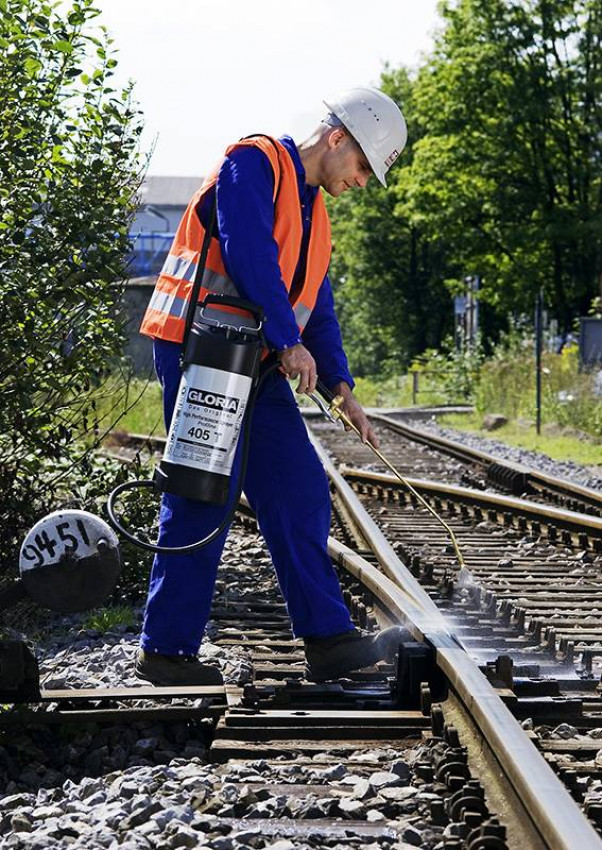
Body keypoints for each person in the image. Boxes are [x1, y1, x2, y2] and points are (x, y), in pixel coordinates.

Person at [136, 86, 408, 686]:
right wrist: (287, 342)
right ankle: (166, 652)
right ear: (338, 138)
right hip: (199, 346)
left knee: (299, 486)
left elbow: (318, 307)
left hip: (252, 362)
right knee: (204, 491)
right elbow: (249, 253)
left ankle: (328, 641)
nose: (363, 181)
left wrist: (341, 385)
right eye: (364, 165)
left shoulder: (318, 218)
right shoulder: (253, 162)